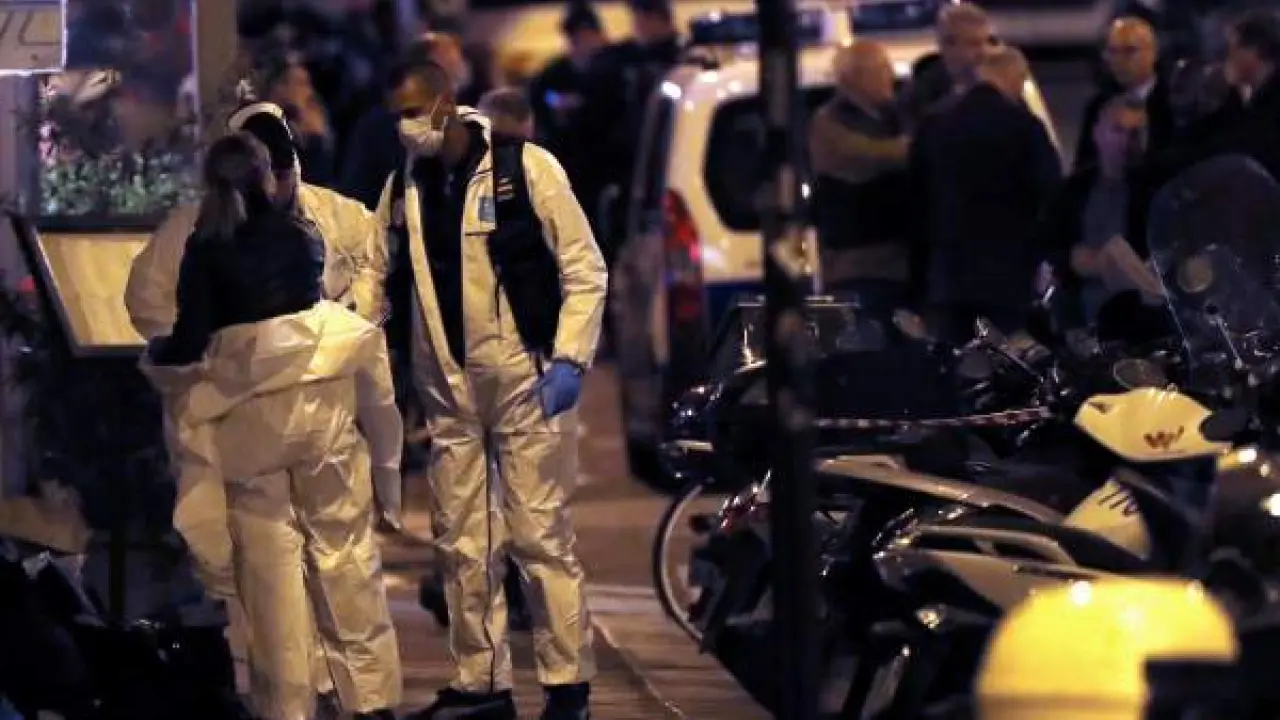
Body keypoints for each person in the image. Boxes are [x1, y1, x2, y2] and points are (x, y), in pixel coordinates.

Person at [142, 132, 402, 720]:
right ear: (266, 177)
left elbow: (191, 340)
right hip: (322, 406)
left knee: (271, 572)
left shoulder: (206, 247)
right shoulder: (302, 235)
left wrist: (158, 355)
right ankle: (370, 699)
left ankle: (289, 706)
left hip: (251, 422)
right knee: (344, 552)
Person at [380, 58, 605, 720]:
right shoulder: (406, 186)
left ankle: (568, 686)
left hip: (522, 377)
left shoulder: (526, 169)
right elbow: (376, 270)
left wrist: (570, 359)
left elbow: (584, 267)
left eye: (414, 110)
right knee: (461, 541)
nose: (406, 126)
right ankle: (481, 683)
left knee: (539, 537)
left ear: (446, 102)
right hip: (448, 389)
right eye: (397, 115)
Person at [909, 45, 1061, 341]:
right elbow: (1050, 194)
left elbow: (916, 202)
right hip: (1008, 274)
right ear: (1015, 78)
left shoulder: (935, 124)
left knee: (955, 358)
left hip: (948, 275)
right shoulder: (1023, 125)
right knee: (1003, 359)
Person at [1045, 97, 1165, 336]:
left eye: (1135, 133)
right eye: (1117, 130)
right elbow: (1049, 244)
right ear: (1097, 133)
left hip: (1139, 319)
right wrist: (1072, 261)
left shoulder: (1155, 190)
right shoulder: (1075, 190)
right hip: (1080, 316)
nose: (1126, 142)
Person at [809, 41, 912, 311]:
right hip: (858, 270)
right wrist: (911, 146)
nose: (891, 75)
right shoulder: (829, 123)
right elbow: (869, 154)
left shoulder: (893, 116)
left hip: (898, 267)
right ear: (856, 77)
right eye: (882, 69)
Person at [341, 32, 478, 210]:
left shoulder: (476, 129)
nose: (459, 66)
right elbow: (356, 195)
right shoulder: (376, 130)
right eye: (452, 59)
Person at [530, 4, 610, 223]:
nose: (582, 43)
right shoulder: (553, 74)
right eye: (576, 38)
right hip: (566, 163)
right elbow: (539, 104)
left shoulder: (611, 71)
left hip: (603, 165)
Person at [1182, 8, 1280, 181]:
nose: (1227, 58)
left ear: (1252, 52)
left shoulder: (1271, 108)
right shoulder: (1253, 97)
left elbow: (1233, 152)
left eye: (1231, 49)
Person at [1075, 16, 1174, 172]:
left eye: (1130, 51)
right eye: (1113, 52)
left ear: (1154, 52)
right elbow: (1082, 167)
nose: (1120, 60)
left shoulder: (1173, 102)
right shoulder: (1097, 107)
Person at [903, 2, 998, 124]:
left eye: (988, 42)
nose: (984, 52)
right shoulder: (920, 96)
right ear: (947, 45)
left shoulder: (999, 84)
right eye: (974, 44)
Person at [258, 50, 338, 186]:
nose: (309, 92)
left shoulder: (309, 121)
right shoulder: (263, 126)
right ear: (279, 88)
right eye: (301, 84)